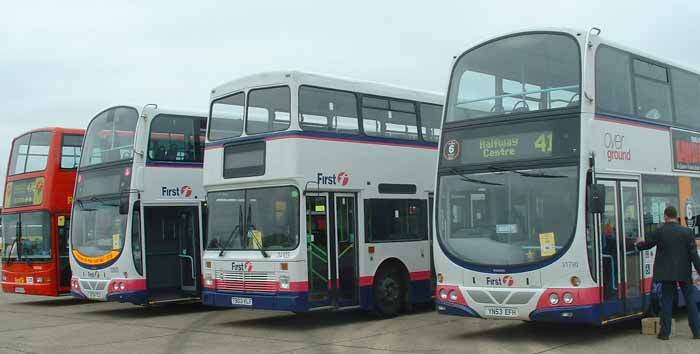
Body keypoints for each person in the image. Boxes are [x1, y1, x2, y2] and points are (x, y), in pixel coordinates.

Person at [636, 206, 700, 340]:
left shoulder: (660, 231)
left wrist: (638, 243)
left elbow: (646, 245)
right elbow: (694, 255)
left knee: (666, 302)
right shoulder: (687, 232)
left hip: (666, 273)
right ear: (676, 216)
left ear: (665, 216)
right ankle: (697, 332)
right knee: (690, 301)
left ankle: (665, 333)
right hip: (684, 272)